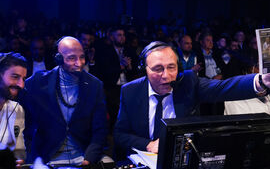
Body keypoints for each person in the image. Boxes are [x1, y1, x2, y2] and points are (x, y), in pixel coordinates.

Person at [113, 41, 270, 160]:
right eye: (158, 69)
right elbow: (120, 134)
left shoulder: (188, 82)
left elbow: (224, 87)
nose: (166, 75)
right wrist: (149, 145)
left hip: (182, 159)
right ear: (144, 69)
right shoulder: (130, 91)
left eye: (171, 67)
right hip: (144, 159)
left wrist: (262, 81)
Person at [22, 36, 108, 165]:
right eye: (72, 58)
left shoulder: (95, 85)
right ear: (58, 59)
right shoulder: (37, 83)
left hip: (83, 156)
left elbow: (100, 130)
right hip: (47, 158)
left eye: (82, 57)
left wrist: (88, 159)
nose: (79, 63)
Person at [0, 52, 27, 162]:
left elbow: (19, 150)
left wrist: (18, 160)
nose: (21, 85)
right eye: (15, 77)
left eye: (23, 79)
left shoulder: (17, 109)